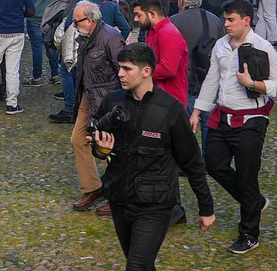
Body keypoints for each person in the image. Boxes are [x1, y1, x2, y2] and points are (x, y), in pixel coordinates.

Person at [92, 43, 215, 271]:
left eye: (127, 69)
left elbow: (192, 162)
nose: (120, 74)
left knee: (136, 266)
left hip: (154, 204)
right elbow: (98, 147)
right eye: (120, 67)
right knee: (141, 264)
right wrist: (102, 150)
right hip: (119, 198)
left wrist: (206, 207)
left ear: (146, 71)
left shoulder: (170, 109)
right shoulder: (112, 101)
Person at [191, 0, 277, 254]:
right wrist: (197, 111)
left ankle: (249, 234)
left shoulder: (263, 47)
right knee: (213, 164)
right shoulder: (220, 45)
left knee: (247, 176)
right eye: (225, 19)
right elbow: (212, 79)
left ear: (246, 20)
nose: (226, 24)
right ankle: (254, 201)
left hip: (251, 120)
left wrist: (253, 84)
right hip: (222, 117)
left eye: (231, 20)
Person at [61, 0, 125, 213]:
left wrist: (120, 103)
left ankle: (116, 195)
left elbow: (123, 71)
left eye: (77, 21)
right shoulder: (85, 37)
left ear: (90, 20)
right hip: (88, 98)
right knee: (78, 139)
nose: (74, 25)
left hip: (108, 102)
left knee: (108, 147)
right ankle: (93, 188)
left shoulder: (111, 37)